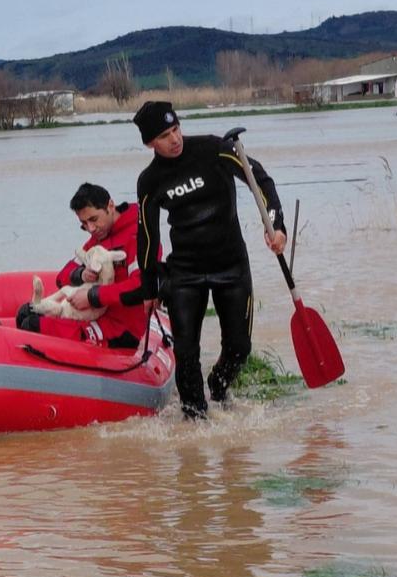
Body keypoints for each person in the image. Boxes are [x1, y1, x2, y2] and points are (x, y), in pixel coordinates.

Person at [132, 101, 287, 420]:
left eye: (176, 129)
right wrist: (149, 288)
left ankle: (218, 384)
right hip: (185, 272)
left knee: (239, 348)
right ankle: (194, 416)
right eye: (164, 135)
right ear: (150, 143)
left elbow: (260, 180)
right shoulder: (149, 180)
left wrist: (276, 225)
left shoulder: (215, 149)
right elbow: (148, 236)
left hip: (231, 265)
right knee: (186, 353)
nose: (175, 139)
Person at [15, 182, 157, 348]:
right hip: (92, 316)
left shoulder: (139, 237)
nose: (91, 228)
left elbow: (141, 287)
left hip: (121, 328)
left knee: (32, 325)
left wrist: (92, 297)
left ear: (110, 206)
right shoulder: (98, 239)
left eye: (93, 219)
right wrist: (81, 274)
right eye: (84, 224)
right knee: (25, 313)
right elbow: (62, 278)